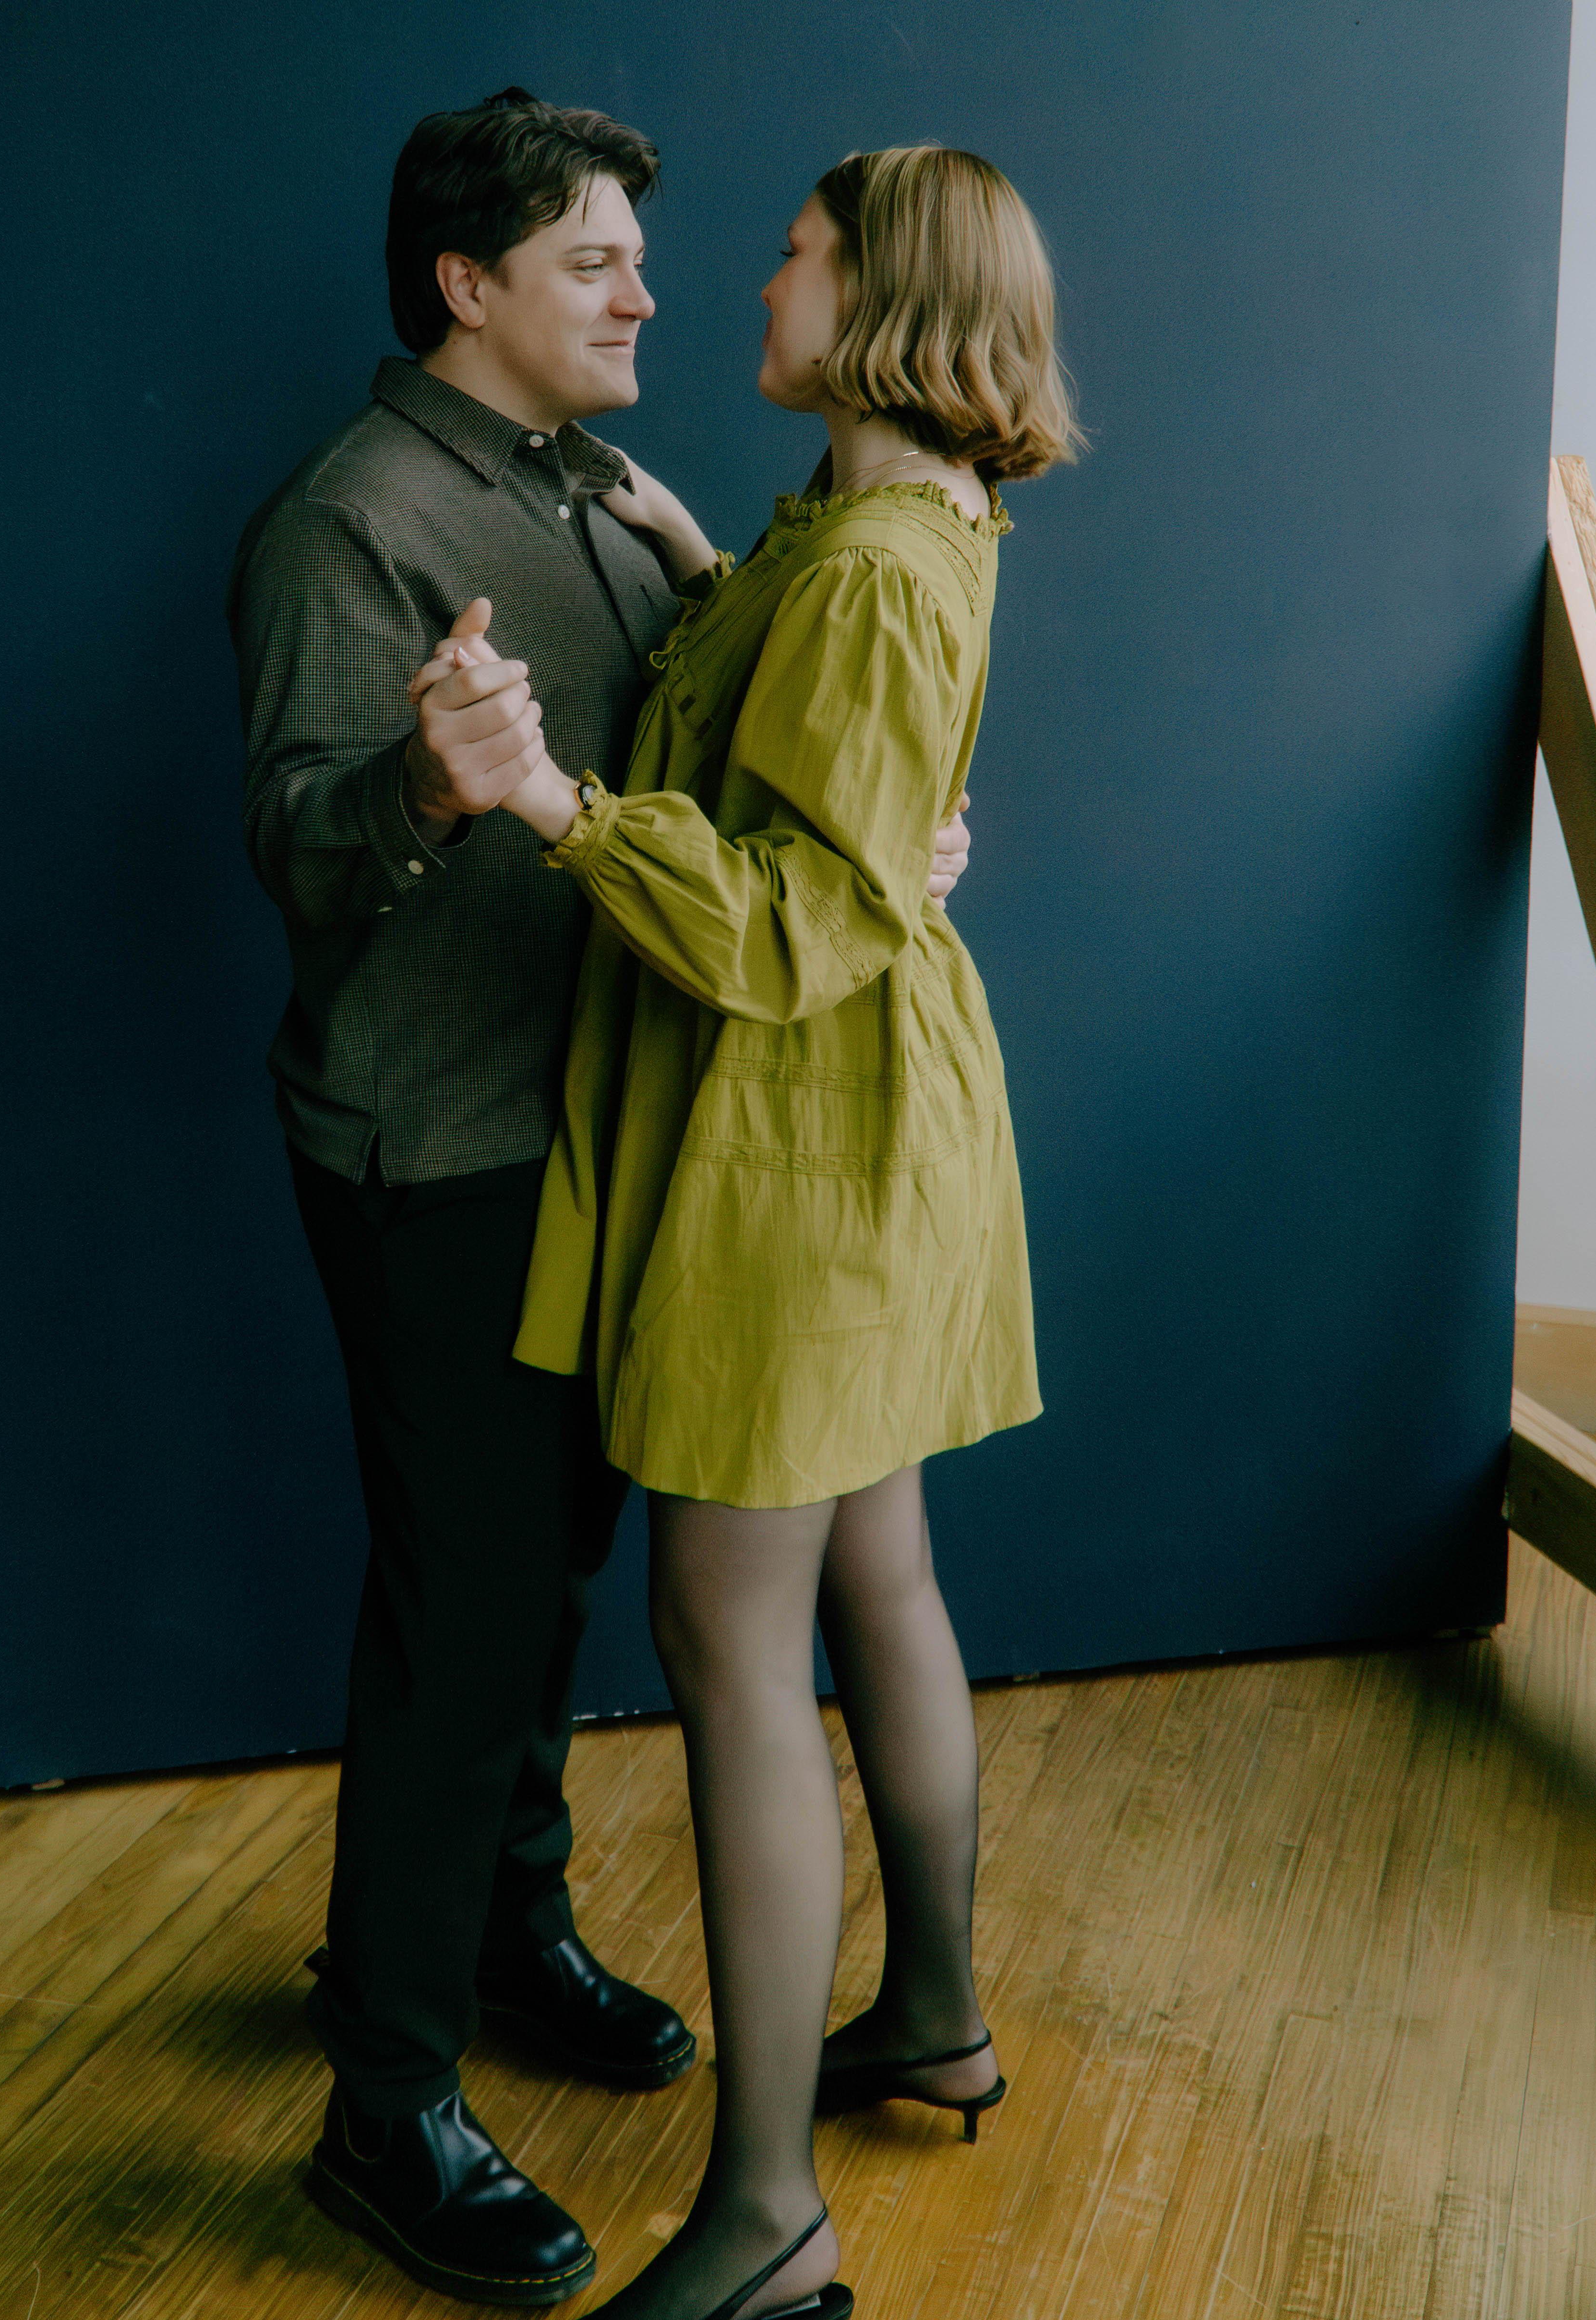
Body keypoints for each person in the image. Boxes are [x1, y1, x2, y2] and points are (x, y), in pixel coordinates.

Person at [226, 91, 972, 2310]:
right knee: (461, 1629)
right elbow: (300, 849)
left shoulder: (595, 498)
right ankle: (387, 2102)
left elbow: (749, 758)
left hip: (613, 1144)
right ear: (469, 288)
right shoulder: (348, 521)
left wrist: (892, 836)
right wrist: (424, 785)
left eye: (648, 258)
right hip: (441, 1150)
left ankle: (507, 1928)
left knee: (539, 1591)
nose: (650, 292)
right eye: (593, 263)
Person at [410, 145, 1077, 2320]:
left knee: (732, 1644)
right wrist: (706, 561)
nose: (747, 288)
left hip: (802, 1130)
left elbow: (788, 922)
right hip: (869, 1114)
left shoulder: (875, 567)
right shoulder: (888, 519)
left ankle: (770, 2214)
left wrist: (552, 804)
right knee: (880, 1569)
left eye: (795, 257)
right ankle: (936, 2016)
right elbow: (835, 761)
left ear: (882, 300)